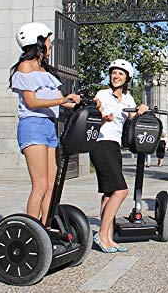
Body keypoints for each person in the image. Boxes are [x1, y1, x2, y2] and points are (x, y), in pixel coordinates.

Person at [10, 22, 81, 225]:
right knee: (40, 184)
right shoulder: (25, 67)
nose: (50, 44)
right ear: (38, 41)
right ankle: (31, 230)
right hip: (32, 126)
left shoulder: (46, 71)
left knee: (52, 184)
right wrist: (61, 100)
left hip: (50, 126)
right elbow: (32, 102)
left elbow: (63, 100)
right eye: (49, 40)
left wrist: (76, 102)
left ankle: (45, 226)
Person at [90, 59, 149, 253]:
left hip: (114, 145)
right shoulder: (102, 94)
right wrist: (101, 115)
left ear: (127, 78)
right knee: (121, 191)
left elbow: (134, 121)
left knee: (109, 193)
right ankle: (102, 235)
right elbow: (93, 113)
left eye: (120, 74)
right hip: (101, 143)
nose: (116, 76)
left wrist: (141, 109)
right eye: (114, 73)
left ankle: (107, 238)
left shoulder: (128, 98)